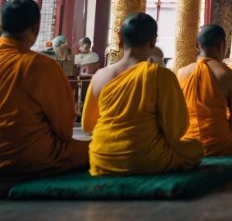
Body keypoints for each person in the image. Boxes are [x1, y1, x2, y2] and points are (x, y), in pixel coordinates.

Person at [81, 12, 202, 175]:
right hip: (145, 158)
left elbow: (88, 126)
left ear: (120, 39)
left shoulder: (100, 76)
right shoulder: (160, 75)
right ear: (153, 41)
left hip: (102, 158)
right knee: (195, 147)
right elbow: (177, 129)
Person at [0, 0, 89, 187]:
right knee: (98, 149)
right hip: (24, 158)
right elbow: (64, 130)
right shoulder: (40, 65)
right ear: (35, 28)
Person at [176, 25, 232, 157]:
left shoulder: (181, 73)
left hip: (187, 142)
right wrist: (221, 131)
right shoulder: (229, 75)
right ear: (222, 46)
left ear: (197, 45)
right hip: (218, 142)